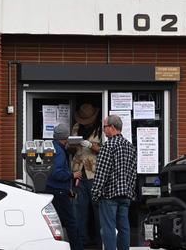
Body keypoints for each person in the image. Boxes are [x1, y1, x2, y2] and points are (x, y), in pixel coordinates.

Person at [91, 115, 137, 250]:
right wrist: (130, 191)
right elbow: (133, 173)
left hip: (109, 195)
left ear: (111, 127)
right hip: (126, 194)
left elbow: (101, 174)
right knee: (124, 228)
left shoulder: (108, 146)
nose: (104, 130)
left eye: (105, 127)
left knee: (108, 229)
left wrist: (95, 193)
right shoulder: (130, 146)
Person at [45, 123, 83, 250]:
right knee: (71, 222)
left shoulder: (52, 147)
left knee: (57, 222)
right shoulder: (60, 152)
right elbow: (57, 173)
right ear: (64, 138)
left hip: (52, 190)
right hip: (59, 191)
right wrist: (73, 175)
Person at [70, 103, 102, 248]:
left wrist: (90, 145)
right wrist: (71, 144)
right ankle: (81, 242)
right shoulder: (77, 127)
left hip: (95, 174)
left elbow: (104, 151)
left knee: (98, 210)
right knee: (79, 210)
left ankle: (99, 241)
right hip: (78, 173)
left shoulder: (101, 128)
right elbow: (71, 150)